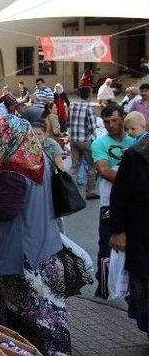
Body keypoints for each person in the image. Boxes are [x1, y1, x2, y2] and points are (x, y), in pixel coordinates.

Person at [0, 115, 70, 355]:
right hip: (44, 246)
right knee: (47, 317)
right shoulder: (39, 157)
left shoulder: (13, 168)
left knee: (24, 320)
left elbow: (5, 210)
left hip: (18, 256)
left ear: (8, 136)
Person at [90, 103, 135, 298]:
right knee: (106, 244)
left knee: (134, 243)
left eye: (114, 120)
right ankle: (104, 288)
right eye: (107, 121)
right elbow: (104, 170)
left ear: (123, 118)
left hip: (134, 203)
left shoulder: (135, 141)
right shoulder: (99, 143)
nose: (110, 125)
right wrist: (136, 179)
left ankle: (130, 288)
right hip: (109, 203)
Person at [109, 141, 149, 339]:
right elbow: (119, 195)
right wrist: (118, 231)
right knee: (144, 286)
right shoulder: (136, 155)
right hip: (142, 233)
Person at [68, 86, 99, 199]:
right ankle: (90, 191)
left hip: (73, 140)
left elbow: (69, 122)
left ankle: (68, 191)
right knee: (91, 166)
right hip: (85, 141)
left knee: (74, 166)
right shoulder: (88, 107)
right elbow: (92, 126)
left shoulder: (72, 105)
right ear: (89, 94)